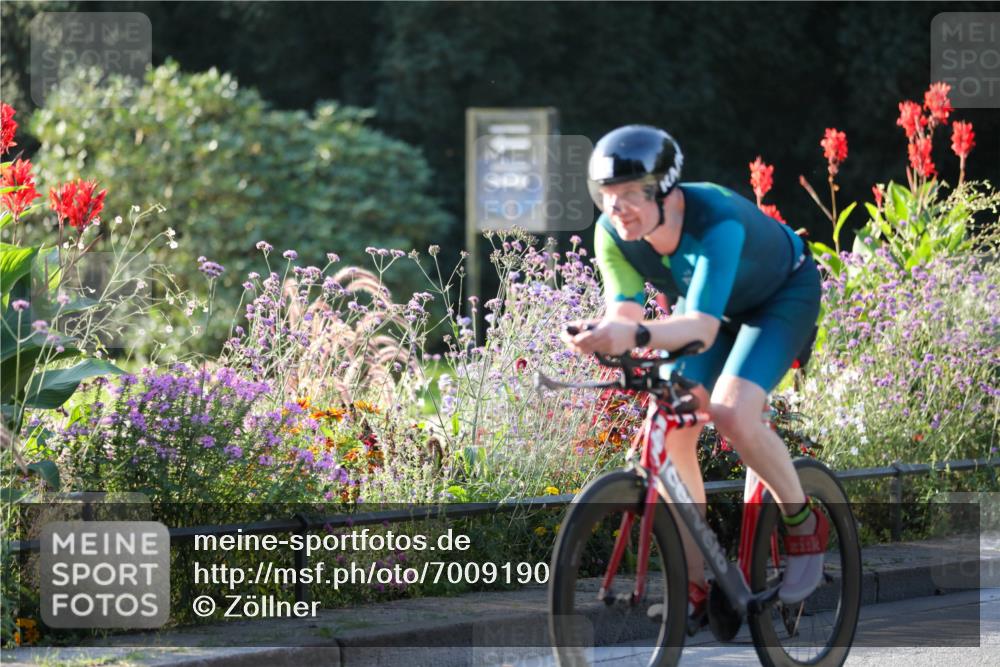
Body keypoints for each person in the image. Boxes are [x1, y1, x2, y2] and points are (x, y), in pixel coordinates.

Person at [562, 125, 827, 624]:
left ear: (666, 191)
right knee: (669, 425)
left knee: (731, 410)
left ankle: (802, 521)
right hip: (709, 308)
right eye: (607, 197)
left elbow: (701, 330)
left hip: (778, 299)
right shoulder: (612, 233)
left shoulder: (715, 220)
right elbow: (624, 312)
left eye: (630, 196)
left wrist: (637, 336)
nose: (617, 210)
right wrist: (599, 334)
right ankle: (696, 582)